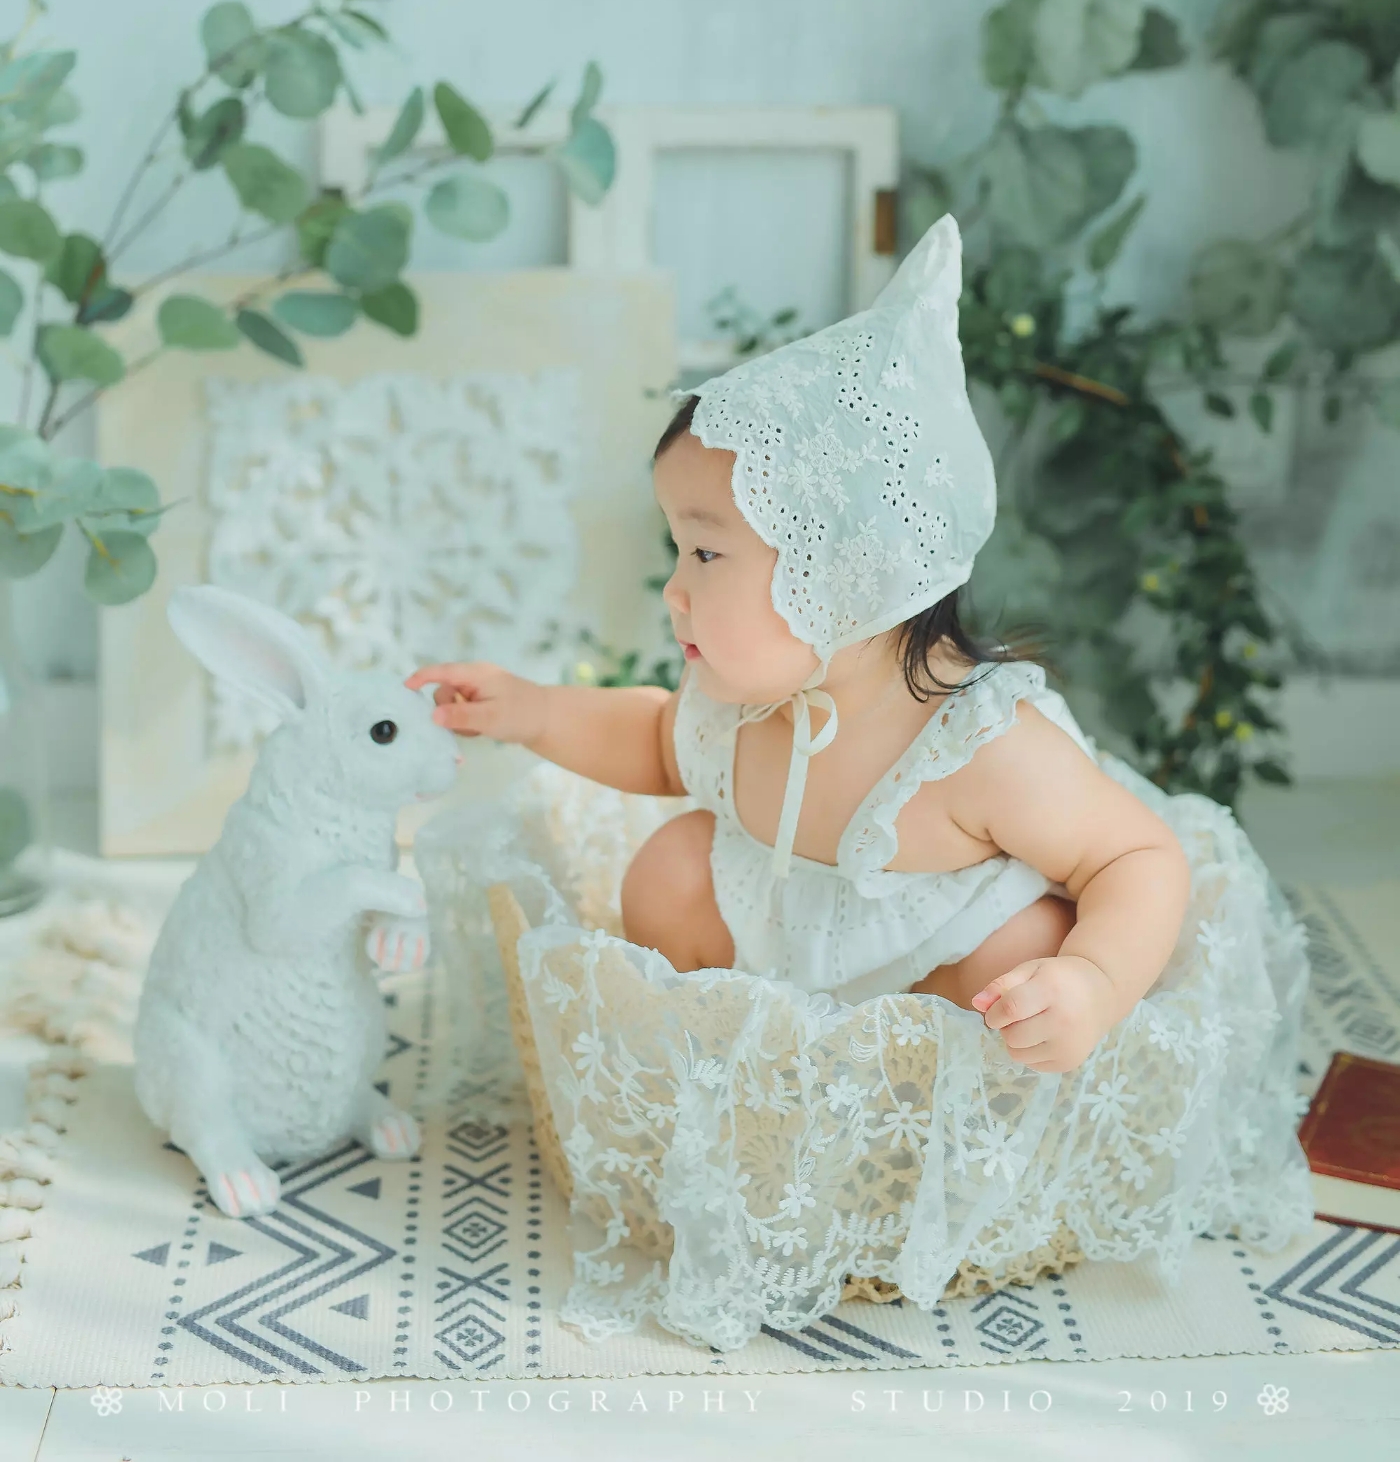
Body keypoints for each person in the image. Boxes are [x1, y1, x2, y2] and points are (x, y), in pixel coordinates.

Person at [405, 214, 1315, 1346]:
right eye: (678, 550)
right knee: (671, 863)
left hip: (939, 968)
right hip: (783, 942)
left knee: (1026, 948)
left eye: (704, 552)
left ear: (846, 573)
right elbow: (653, 740)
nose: (674, 590)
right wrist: (533, 709)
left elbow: (1136, 856)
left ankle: (917, 1142)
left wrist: (1089, 982)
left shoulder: (983, 744)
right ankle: (752, 1093)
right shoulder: (746, 701)